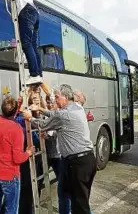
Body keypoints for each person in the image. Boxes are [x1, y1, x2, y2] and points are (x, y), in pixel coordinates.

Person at [24, 84, 97, 214]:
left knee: (80, 204)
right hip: (84, 160)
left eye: (57, 97)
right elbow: (55, 113)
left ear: (65, 97)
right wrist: (40, 108)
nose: (54, 100)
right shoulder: (76, 107)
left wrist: (30, 117)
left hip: (78, 164)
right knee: (69, 194)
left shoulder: (63, 115)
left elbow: (42, 125)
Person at [0, 95, 35, 214]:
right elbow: (18, 158)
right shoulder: (16, 129)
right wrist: (28, 152)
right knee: (11, 209)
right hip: (9, 176)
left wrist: (17, 107)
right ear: (15, 112)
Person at [16, 90, 45, 214]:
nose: (36, 100)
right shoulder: (25, 116)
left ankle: (34, 207)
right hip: (28, 157)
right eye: (33, 98)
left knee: (38, 184)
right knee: (26, 187)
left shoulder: (44, 114)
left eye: (37, 98)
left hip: (41, 155)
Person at [44, 95, 71, 214]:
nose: (50, 104)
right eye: (47, 102)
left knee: (64, 187)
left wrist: (46, 134)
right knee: (38, 184)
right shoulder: (45, 115)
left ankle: (66, 211)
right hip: (46, 155)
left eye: (52, 102)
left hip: (58, 156)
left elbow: (55, 132)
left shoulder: (60, 116)